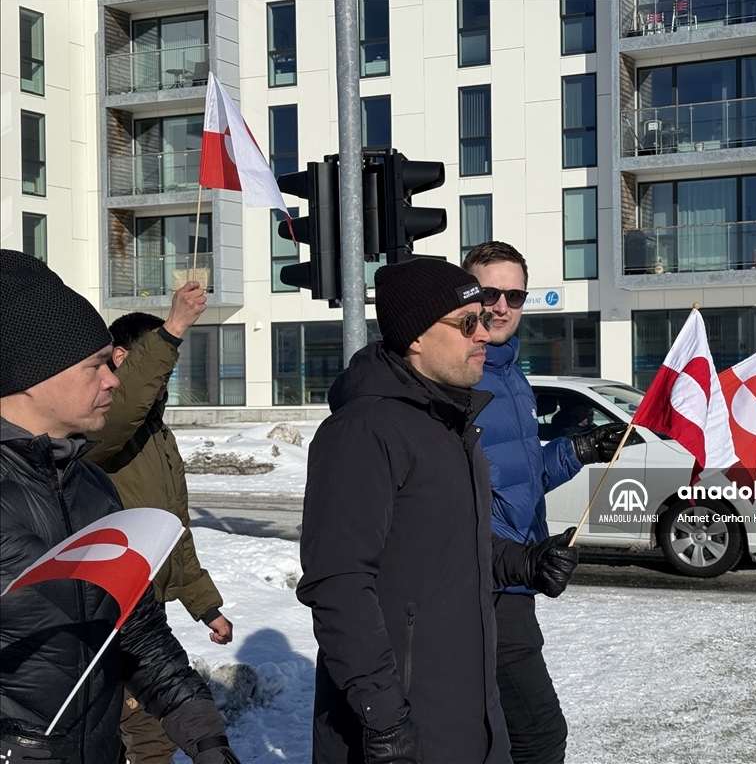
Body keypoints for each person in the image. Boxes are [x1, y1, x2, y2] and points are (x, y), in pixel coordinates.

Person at [298, 258, 579, 764]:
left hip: (469, 707)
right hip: (402, 722)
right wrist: (383, 718)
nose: (483, 333)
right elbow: (338, 583)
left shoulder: (450, 423)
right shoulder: (364, 431)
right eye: (466, 321)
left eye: (483, 318)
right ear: (417, 338)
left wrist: (526, 564)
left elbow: (455, 541)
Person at [0, 249, 239, 763]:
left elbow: (135, 629)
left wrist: (202, 732)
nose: (112, 379)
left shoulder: (90, 486)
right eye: (95, 366)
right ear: (29, 376)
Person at [463, 241, 627, 764]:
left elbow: (519, 475)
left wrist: (577, 450)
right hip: (485, 584)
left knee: (495, 734)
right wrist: (516, 560)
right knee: (539, 736)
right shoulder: (461, 376)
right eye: (489, 291)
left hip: (516, 574)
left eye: (514, 294)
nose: (502, 305)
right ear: (467, 294)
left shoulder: (512, 376)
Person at [85, 284, 233, 764]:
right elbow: (124, 406)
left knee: (151, 736)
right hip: (110, 609)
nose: (166, 375)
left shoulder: (156, 435)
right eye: (157, 362)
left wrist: (205, 604)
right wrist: (172, 330)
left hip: (149, 612)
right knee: (141, 736)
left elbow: (173, 532)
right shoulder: (100, 431)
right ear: (123, 358)